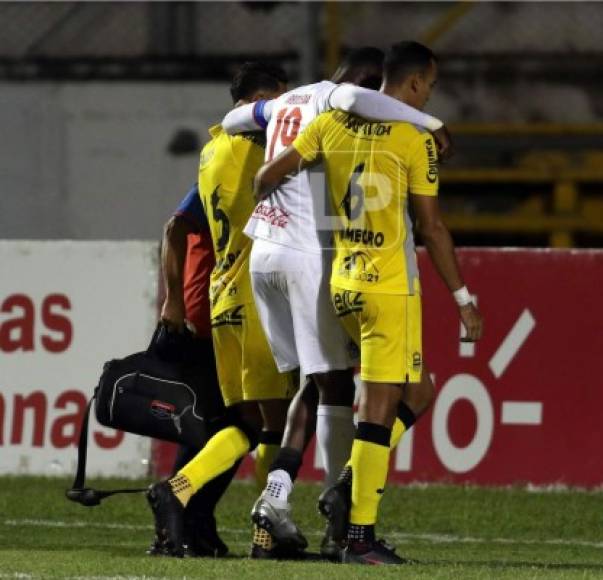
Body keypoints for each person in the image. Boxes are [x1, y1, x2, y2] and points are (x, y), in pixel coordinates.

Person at [253, 41, 483, 565]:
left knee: (417, 392)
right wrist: (464, 299)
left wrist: (294, 212)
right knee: (377, 412)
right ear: (417, 83)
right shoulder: (413, 137)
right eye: (432, 84)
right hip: (387, 288)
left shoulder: (331, 125)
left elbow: (266, 177)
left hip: (343, 282)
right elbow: (431, 226)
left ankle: (349, 483)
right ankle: (359, 535)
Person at [146, 62, 296, 558]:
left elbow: (178, 224)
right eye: (279, 102)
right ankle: (262, 531)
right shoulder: (261, 153)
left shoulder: (211, 152)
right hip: (258, 302)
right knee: (270, 423)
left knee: (240, 423)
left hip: (223, 299)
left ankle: (188, 505)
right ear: (261, 102)